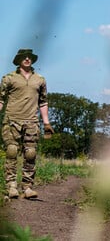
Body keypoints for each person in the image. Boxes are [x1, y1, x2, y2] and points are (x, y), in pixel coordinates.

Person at [1, 48, 53, 200]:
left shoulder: (40, 79)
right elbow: (0, 99)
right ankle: (11, 186)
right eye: (24, 57)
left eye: (30, 57)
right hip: (12, 120)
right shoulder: (8, 78)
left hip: (32, 122)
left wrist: (46, 123)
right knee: (11, 151)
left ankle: (27, 187)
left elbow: (43, 102)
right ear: (18, 60)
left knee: (30, 154)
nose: (27, 59)